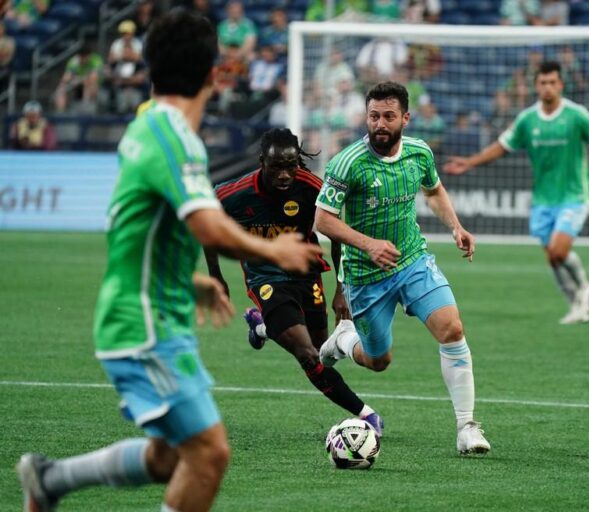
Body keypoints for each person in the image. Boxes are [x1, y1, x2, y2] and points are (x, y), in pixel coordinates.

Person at [16, 10, 322, 512]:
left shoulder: (149, 127)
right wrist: (272, 249)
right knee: (208, 455)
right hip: (142, 324)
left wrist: (187, 279)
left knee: (167, 458)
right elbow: (205, 224)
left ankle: (50, 480)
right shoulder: (174, 138)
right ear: (213, 75)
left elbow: (141, 223)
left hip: (157, 314)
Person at [314, 81, 491, 455]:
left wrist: (456, 227)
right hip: (365, 275)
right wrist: (369, 244)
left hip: (412, 260)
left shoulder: (419, 153)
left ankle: (467, 427)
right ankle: (344, 341)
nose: (379, 123)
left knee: (452, 328)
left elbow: (433, 190)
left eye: (388, 116)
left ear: (405, 119)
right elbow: (323, 221)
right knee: (378, 361)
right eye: (373, 116)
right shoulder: (347, 163)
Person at [205, 127, 383, 435]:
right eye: (277, 166)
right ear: (262, 161)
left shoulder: (312, 187)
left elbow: (336, 234)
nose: (285, 174)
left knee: (325, 355)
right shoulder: (234, 195)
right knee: (308, 356)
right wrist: (216, 276)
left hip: (307, 274)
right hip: (266, 278)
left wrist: (341, 290)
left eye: (291, 165)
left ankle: (262, 327)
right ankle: (366, 415)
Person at [444, 61, 589, 325]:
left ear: (560, 85)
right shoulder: (527, 119)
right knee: (551, 257)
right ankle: (574, 303)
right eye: (542, 83)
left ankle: (584, 287)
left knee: (559, 251)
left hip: (574, 195)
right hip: (543, 199)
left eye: (552, 82)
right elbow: (502, 146)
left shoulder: (577, 114)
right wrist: (470, 162)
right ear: (536, 86)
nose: (547, 87)